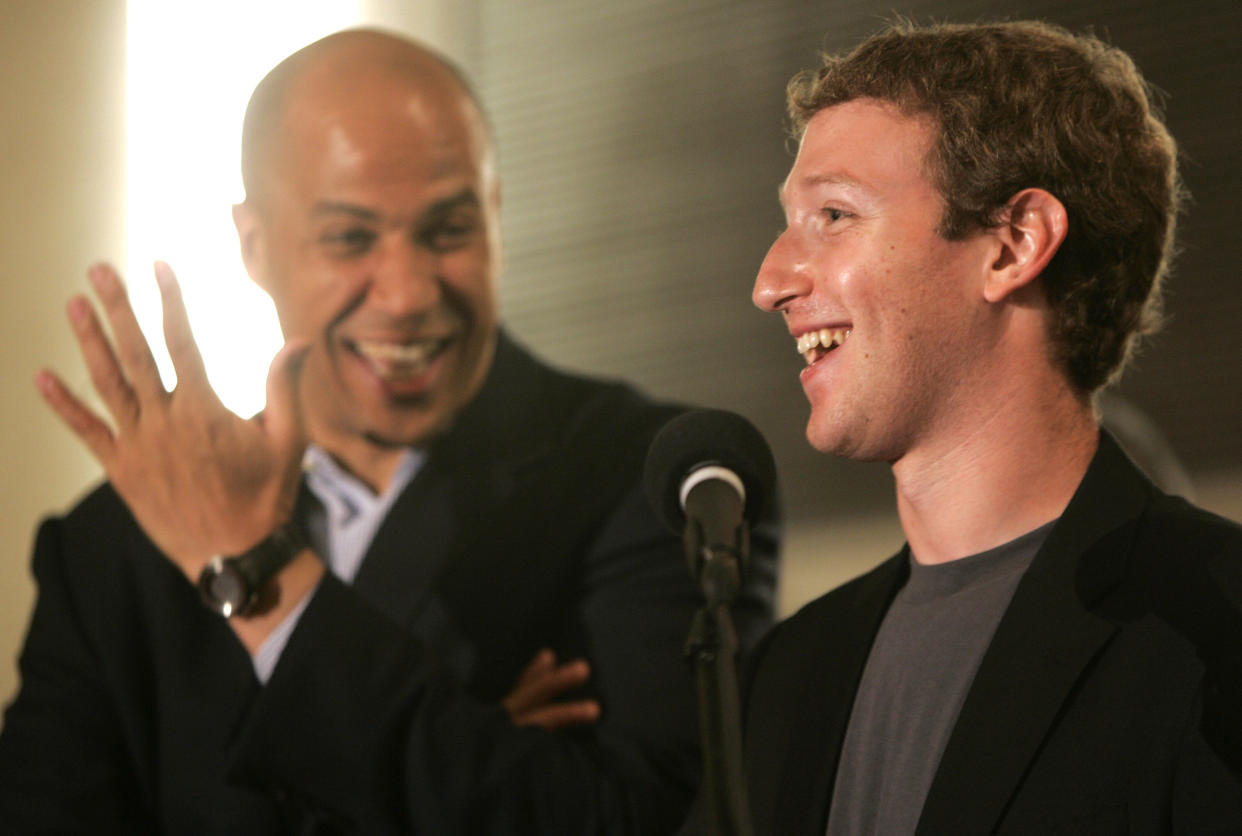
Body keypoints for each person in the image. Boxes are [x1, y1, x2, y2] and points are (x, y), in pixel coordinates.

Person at [0, 29, 777, 834]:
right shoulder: (112, 549)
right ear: (253, 245)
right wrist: (469, 757)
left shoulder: (661, 483)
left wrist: (264, 579)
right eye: (349, 238)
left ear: (497, 213)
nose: (406, 294)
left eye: (448, 230)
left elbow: (646, 821)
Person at [736, 19, 1242, 835]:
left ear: (1013, 243)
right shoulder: (785, 678)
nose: (771, 282)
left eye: (833, 214)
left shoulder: (1216, 630)